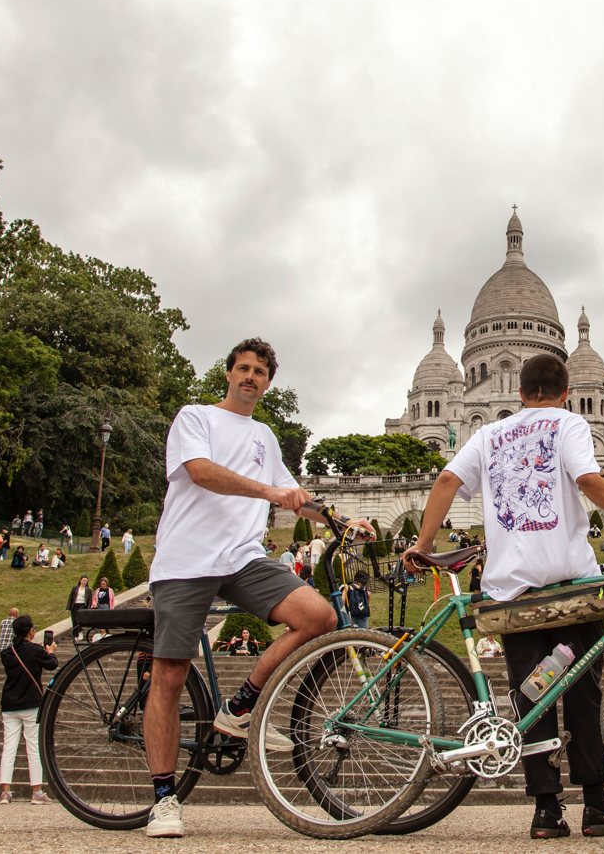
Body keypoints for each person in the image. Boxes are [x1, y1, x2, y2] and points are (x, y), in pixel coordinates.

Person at [404, 353, 604, 840]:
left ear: (519, 391)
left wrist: (421, 545)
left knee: (531, 696)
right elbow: (588, 480)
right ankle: (594, 806)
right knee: (582, 696)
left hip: (512, 595)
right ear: (567, 393)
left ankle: (546, 811)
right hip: (571, 589)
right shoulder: (568, 424)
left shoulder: (486, 435)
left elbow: (444, 480)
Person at [141, 338, 373, 838]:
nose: (250, 377)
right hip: (187, 559)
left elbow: (296, 496)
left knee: (320, 618)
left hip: (243, 558)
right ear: (228, 374)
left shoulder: (265, 437)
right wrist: (268, 490)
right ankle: (164, 798)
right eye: (243, 368)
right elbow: (200, 472)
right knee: (170, 674)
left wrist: (340, 516)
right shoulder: (195, 417)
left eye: (260, 372)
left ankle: (240, 707)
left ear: (268, 382)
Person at [0, 614, 58, 804]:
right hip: (30, 702)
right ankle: (36, 791)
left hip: (9, 703)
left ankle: (5, 792)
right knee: (33, 746)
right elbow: (52, 664)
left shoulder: (7, 652)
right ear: (31, 631)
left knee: (9, 747)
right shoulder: (34, 650)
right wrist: (51, 651)